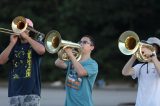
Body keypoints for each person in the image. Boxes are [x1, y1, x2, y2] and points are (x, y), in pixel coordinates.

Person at [0, 18, 45, 106]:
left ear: (30, 30)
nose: (22, 30)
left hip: (32, 92)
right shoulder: (13, 46)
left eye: (24, 28)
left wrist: (27, 38)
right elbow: (1, 61)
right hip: (14, 92)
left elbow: (41, 50)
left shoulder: (36, 43)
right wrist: (12, 43)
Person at [55, 35, 98, 106]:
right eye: (80, 42)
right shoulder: (73, 60)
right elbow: (58, 63)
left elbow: (81, 72)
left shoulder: (93, 64)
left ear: (92, 47)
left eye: (85, 42)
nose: (81, 44)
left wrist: (71, 55)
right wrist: (66, 50)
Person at [122, 37, 160, 106]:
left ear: (156, 50)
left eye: (152, 47)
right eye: (148, 46)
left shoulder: (158, 64)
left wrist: (153, 56)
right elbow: (125, 72)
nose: (148, 49)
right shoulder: (140, 66)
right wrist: (134, 56)